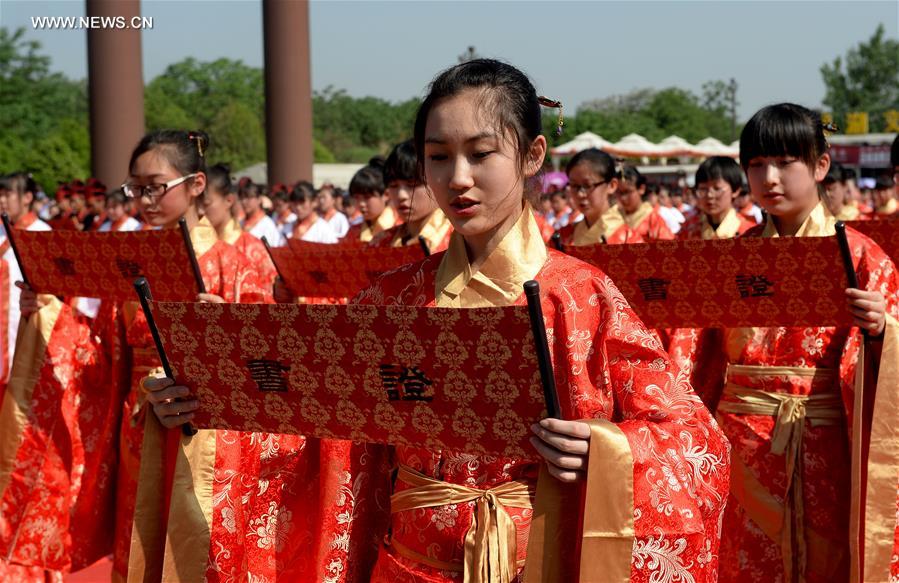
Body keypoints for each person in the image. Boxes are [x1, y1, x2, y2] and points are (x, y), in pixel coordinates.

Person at [354, 59, 728, 581]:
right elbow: (320, 435)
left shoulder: (581, 295)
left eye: (481, 154)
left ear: (532, 155)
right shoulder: (389, 301)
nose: (457, 178)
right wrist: (210, 388)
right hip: (409, 566)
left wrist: (606, 446)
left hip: (541, 561)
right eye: (438, 156)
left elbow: (690, 433)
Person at [672, 103, 899, 582]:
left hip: (827, 449)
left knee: (828, 561)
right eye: (756, 165)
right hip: (742, 450)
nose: (769, 178)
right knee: (745, 559)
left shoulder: (860, 255)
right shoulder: (731, 258)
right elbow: (693, 362)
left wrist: (882, 333)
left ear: (820, 165)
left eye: (784, 162)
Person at [0, 173, 50, 390]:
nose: (1, 200)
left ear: (27, 197)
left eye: (7, 194)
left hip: (26, 329)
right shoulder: (1, 231)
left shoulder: (43, 233)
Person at [203, 162, 279, 288]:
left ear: (229, 200)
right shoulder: (198, 244)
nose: (200, 210)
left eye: (206, 203)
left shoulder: (253, 248)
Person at [370, 139, 452, 252]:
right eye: (393, 185)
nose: (401, 195)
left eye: (411, 185)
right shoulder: (380, 243)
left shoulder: (461, 241)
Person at [555, 148, 642, 246]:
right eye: (574, 186)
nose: (580, 194)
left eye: (587, 185)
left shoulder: (630, 241)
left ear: (612, 185)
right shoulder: (561, 238)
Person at [678, 156, 755, 239]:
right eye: (703, 189)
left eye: (717, 189)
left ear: (735, 190)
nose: (709, 195)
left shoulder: (751, 232)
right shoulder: (687, 230)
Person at [341, 159, 399, 244]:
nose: (361, 204)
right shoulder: (353, 232)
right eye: (356, 197)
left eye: (367, 197)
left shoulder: (401, 229)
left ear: (386, 194)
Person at [612, 165, 675, 240]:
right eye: (619, 193)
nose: (623, 198)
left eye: (627, 192)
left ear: (641, 189)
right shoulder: (612, 216)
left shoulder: (653, 219)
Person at [239, 177, 285, 246]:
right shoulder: (240, 223)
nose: (244, 202)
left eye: (249, 198)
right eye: (242, 198)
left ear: (259, 199)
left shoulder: (267, 224)